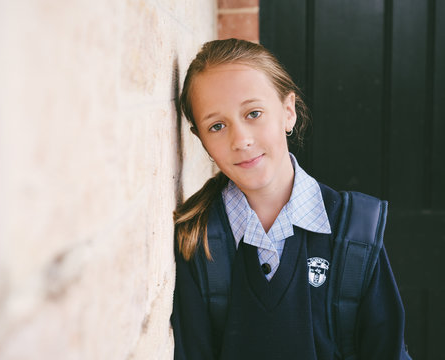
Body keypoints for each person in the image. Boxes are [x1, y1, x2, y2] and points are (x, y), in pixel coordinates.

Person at [170, 38, 409, 359]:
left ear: (288, 112)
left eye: (253, 113)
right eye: (217, 125)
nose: (241, 139)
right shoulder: (197, 240)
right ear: (201, 139)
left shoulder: (356, 231)